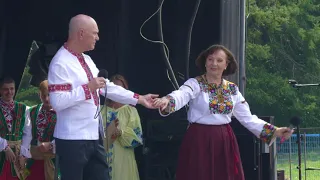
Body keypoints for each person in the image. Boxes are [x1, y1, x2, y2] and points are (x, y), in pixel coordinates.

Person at [153, 44, 294, 180]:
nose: (214, 63)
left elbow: (248, 118)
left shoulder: (232, 89)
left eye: (219, 60)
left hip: (224, 140)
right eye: (210, 59)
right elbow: (181, 94)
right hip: (199, 139)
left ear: (226, 65)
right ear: (205, 62)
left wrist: (275, 131)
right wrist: (168, 101)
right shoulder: (195, 84)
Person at [48, 14, 157, 180]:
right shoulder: (60, 62)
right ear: (81, 33)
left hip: (94, 137)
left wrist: (139, 98)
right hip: (72, 140)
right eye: (95, 33)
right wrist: (88, 88)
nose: (98, 38)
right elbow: (57, 102)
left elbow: (107, 87)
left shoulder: (87, 59)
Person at [101, 74, 142, 180]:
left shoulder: (130, 111)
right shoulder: (100, 110)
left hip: (123, 159)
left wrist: (121, 133)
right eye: (115, 88)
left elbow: (137, 138)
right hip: (103, 158)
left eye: (121, 89)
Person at [0, 77, 32, 180]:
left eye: (12, 88)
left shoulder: (23, 108)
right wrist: (5, 147)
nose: (9, 92)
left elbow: (27, 132)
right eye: (5, 89)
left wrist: (23, 154)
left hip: (17, 155)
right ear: (0, 90)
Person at [24, 80, 57, 180]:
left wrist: (51, 145)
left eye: (49, 95)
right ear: (39, 95)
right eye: (44, 96)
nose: (46, 99)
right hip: (34, 160)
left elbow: (67, 136)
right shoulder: (32, 111)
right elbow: (27, 134)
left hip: (53, 161)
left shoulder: (63, 114)